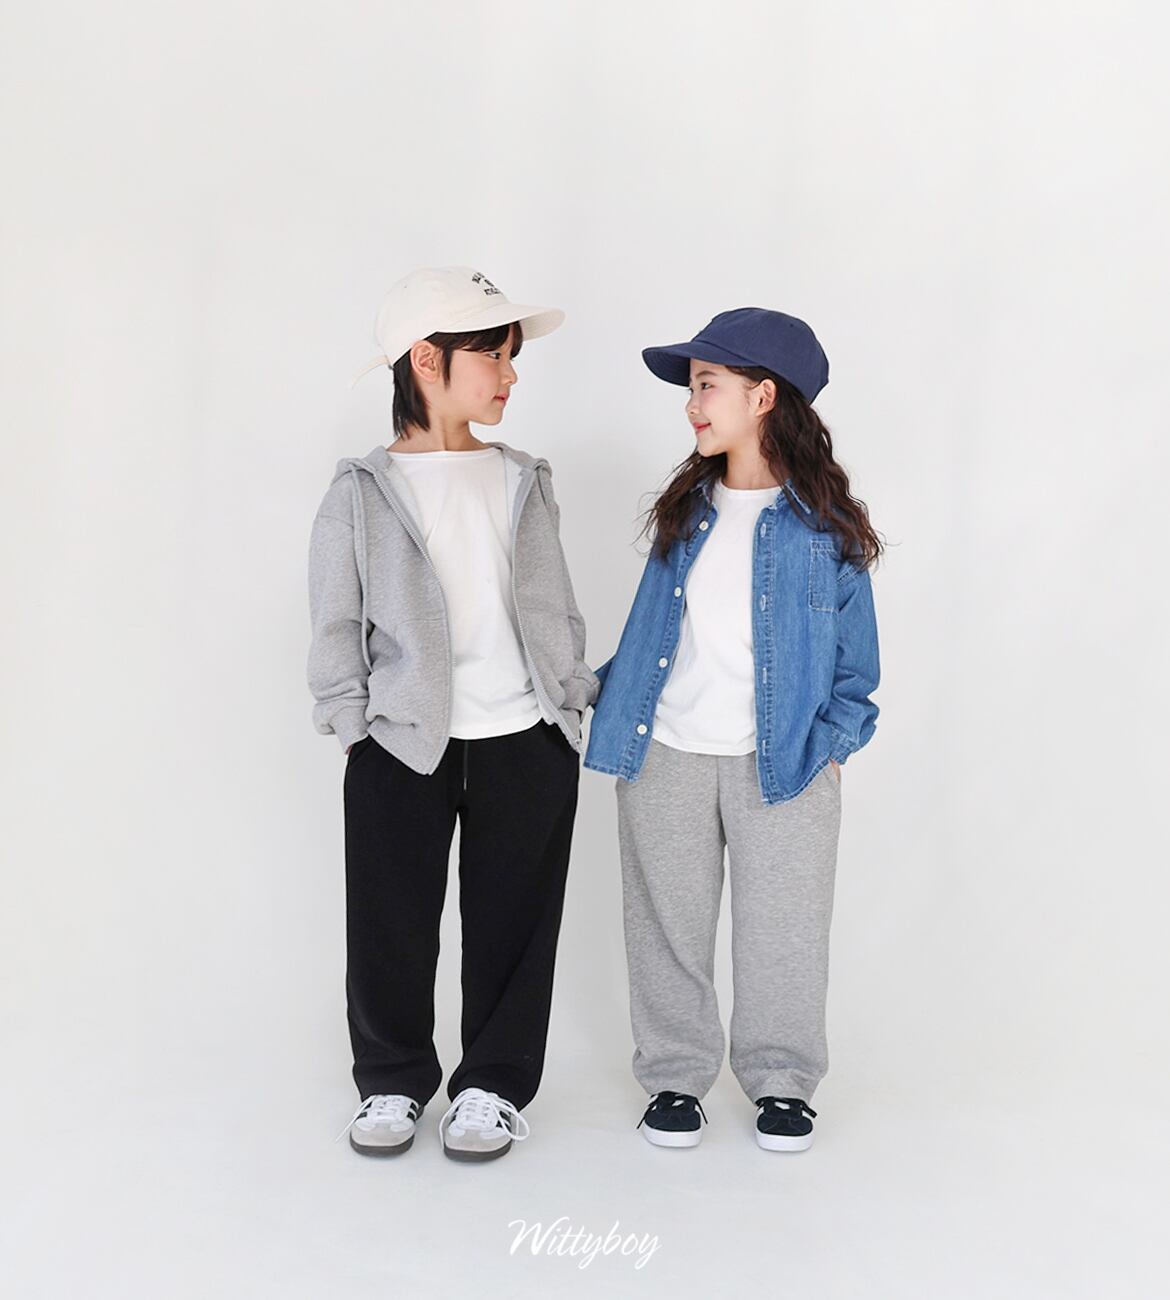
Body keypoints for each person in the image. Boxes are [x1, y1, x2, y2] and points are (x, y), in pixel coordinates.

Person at [307, 266, 599, 1161]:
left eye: (512, 359)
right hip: (403, 744)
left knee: (513, 927)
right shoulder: (360, 492)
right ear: (427, 360)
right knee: (390, 924)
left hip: (525, 738)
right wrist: (354, 729)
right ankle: (392, 1081)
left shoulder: (523, 478)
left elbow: (553, 607)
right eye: (494, 357)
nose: (511, 377)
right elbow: (335, 622)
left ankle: (491, 1087)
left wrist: (567, 707)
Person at [583, 307, 882, 1152]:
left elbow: (858, 672)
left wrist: (828, 751)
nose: (692, 404)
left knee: (784, 935)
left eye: (707, 384)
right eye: (692, 387)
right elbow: (651, 635)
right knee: (666, 932)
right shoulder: (686, 510)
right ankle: (675, 1078)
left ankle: (782, 1083)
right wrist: (591, 692)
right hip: (666, 754)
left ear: (763, 396)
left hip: (783, 764)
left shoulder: (827, 529)